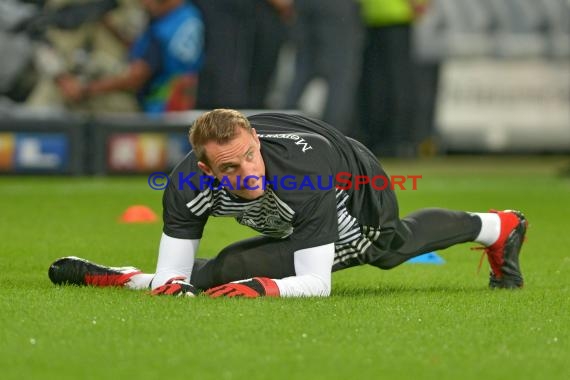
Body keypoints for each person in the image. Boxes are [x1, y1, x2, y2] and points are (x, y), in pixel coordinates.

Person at [48, 109, 527, 297]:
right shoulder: (186, 185)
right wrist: (158, 283)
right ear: (207, 170)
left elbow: (316, 284)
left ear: (257, 140)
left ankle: (498, 225)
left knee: (383, 249)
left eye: (251, 156)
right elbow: (175, 279)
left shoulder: (303, 171)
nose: (248, 172)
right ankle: (114, 275)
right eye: (230, 169)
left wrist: (266, 289)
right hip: (290, 210)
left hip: (352, 183)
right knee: (207, 278)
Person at [56, 0, 204, 114]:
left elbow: (136, 77)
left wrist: (86, 90)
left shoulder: (162, 31)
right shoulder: (189, 14)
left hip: (157, 110)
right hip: (183, 106)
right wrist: (111, 27)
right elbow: (144, 52)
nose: (145, 3)